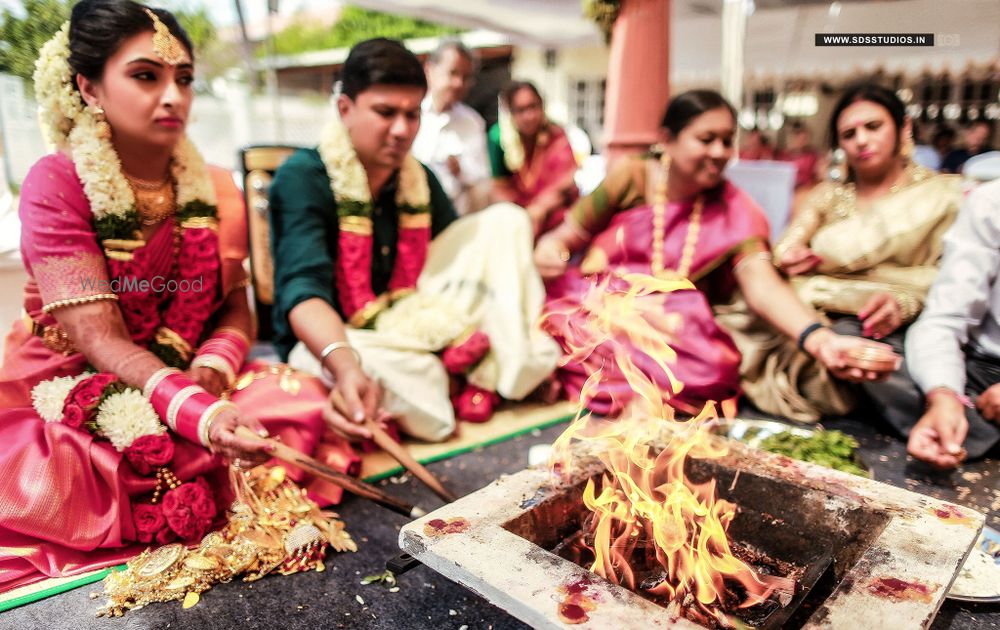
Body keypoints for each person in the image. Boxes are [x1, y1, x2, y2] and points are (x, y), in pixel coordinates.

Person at [0, 0, 354, 593]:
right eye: (146, 76)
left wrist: (211, 371)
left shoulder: (216, 187)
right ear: (89, 87)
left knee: (302, 396)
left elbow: (234, 306)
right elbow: (97, 337)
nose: (174, 96)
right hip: (71, 380)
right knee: (88, 470)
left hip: (188, 367)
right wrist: (203, 414)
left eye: (184, 78)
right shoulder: (55, 182)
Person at [534, 89, 893, 416]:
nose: (721, 152)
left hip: (673, 318)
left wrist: (819, 339)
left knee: (713, 368)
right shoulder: (633, 176)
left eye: (726, 141)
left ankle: (608, 385)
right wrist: (552, 249)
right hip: (604, 300)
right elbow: (567, 236)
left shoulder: (736, 208)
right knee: (562, 318)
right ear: (667, 140)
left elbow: (762, 284)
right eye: (706, 139)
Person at [271, 39, 559, 442]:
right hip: (342, 339)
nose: (402, 130)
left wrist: (528, 255)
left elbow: (454, 261)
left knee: (507, 222)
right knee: (410, 381)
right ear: (344, 109)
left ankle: (494, 368)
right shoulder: (302, 178)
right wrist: (347, 366)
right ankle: (469, 374)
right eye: (386, 113)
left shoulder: (417, 176)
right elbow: (302, 293)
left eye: (412, 114)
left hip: (412, 314)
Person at [730, 84, 961, 422]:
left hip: (900, 322)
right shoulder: (828, 195)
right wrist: (789, 259)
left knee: (901, 359)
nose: (861, 141)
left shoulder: (943, 195)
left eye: (873, 127)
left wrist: (903, 303)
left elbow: (950, 278)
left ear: (904, 127)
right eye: (849, 134)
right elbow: (783, 250)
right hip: (821, 315)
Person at [904, 179, 1000, 468]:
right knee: (877, 362)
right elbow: (945, 319)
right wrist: (944, 395)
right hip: (982, 371)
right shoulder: (990, 202)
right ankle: (951, 424)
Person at [410, 39, 490, 216]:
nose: (458, 83)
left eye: (466, 77)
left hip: (454, 221)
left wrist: (460, 170)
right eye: (453, 73)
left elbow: (482, 182)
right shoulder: (409, 113)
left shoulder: (472, 123)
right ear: (429, 70)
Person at [488, 81, 579, 237]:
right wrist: (519, 215)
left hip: (553, 213)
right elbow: (499, 188)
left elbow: (567, 182)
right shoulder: (499, 138)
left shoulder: (556, 136)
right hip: (519, 216)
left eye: (533, 107)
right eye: (521, 110)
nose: (529, 116)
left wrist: (540, 208)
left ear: (542, 105)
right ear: (510, 113)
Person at [777, 122, 820, 191]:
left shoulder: (812, 156)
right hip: (787, 189)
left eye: (804, 139)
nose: (802, 142)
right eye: (800, 139)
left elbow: (816, 176)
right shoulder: (784, 155)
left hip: (805, 190)